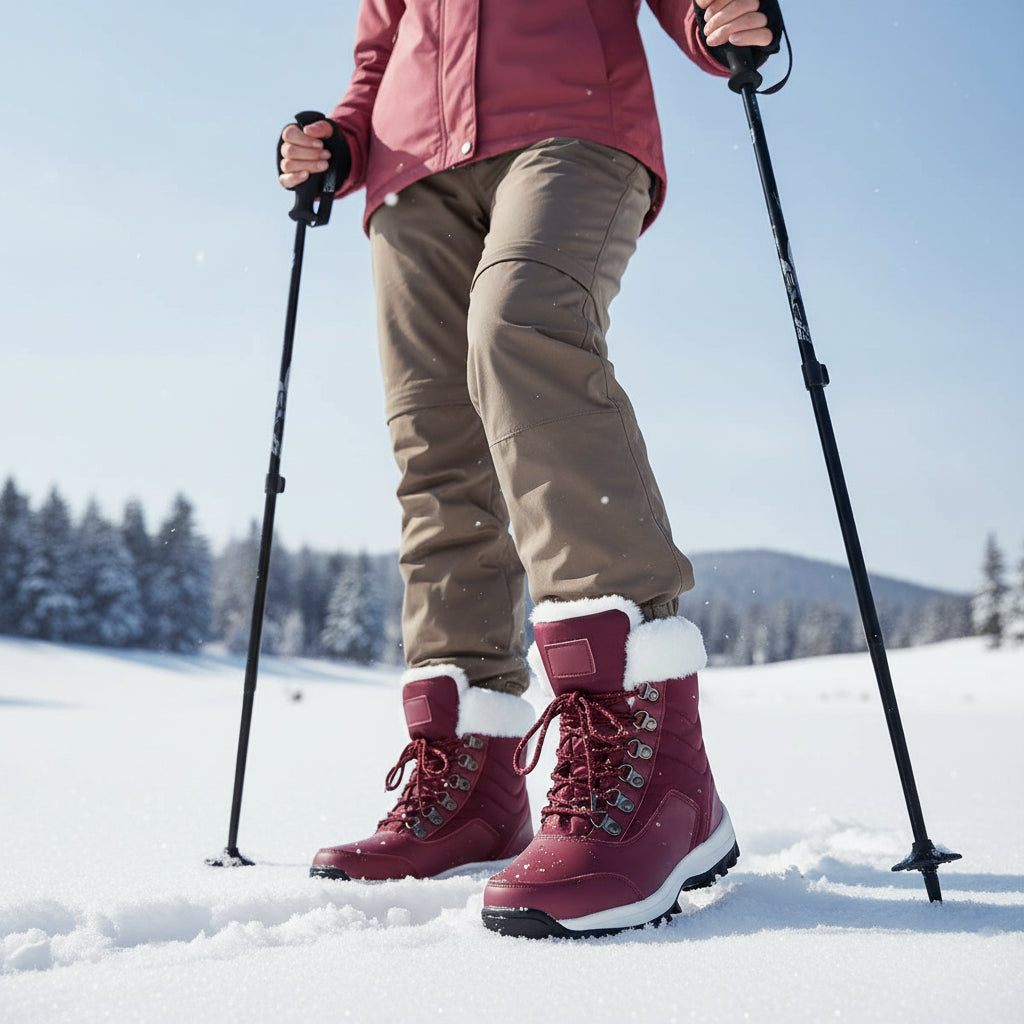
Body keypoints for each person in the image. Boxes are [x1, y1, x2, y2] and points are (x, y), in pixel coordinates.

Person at [278, 0, 781, 938]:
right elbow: (380, 46)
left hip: (571, 123)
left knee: (521, 331)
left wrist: (714, 16)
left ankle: (654, 759)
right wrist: (340, 140)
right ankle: (467, 776)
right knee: (434, 436)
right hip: (407, 171)